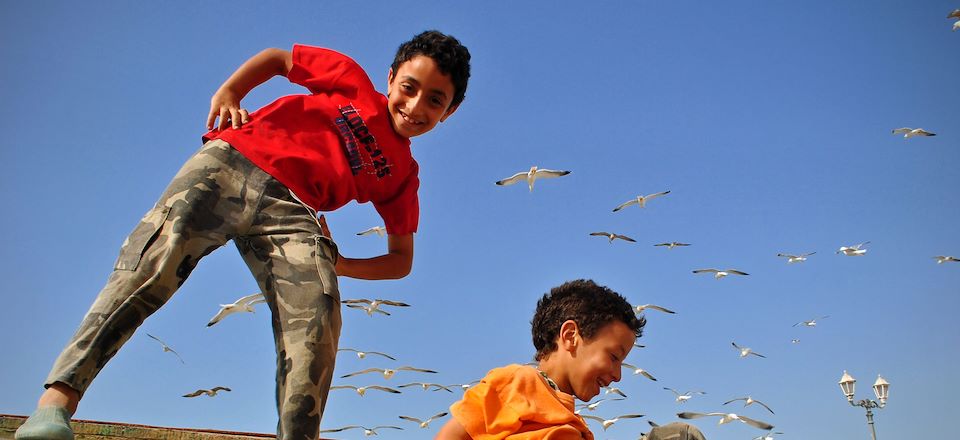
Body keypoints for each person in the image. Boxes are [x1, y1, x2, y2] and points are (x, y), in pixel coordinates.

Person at [15, 30, 471, 440]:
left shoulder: (402, 177)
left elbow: (400, 261)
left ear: (448, 112)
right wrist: (232, 90)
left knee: (318, 309)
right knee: (156, 261)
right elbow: (278, 58)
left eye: (434, 100)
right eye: (408, 88)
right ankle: (56, 402)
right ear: (390, 78)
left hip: (291, 210)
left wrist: (340, 262)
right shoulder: (349, 80)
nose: (414, 107)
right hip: (233, 162)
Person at [435, 279, 646, 439]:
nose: (618, 376)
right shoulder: (518, 383)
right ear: (570, 336)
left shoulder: (576, 427)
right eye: (613, 357)